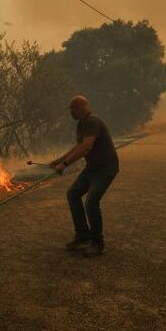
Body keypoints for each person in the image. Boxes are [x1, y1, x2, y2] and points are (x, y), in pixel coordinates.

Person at [46, 95, 119, 257]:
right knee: (73, 194)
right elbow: (78, 146)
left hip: (105, 169)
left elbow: (86, 147)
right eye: (71, 108)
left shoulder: (93, 121)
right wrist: (59, 160)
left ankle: (97, 243)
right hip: (92, 168)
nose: (72, 111)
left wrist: (64, 165)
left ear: (84, 106)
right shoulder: (81, 124)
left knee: (91, 202)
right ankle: (83, 235)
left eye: (74, 108)